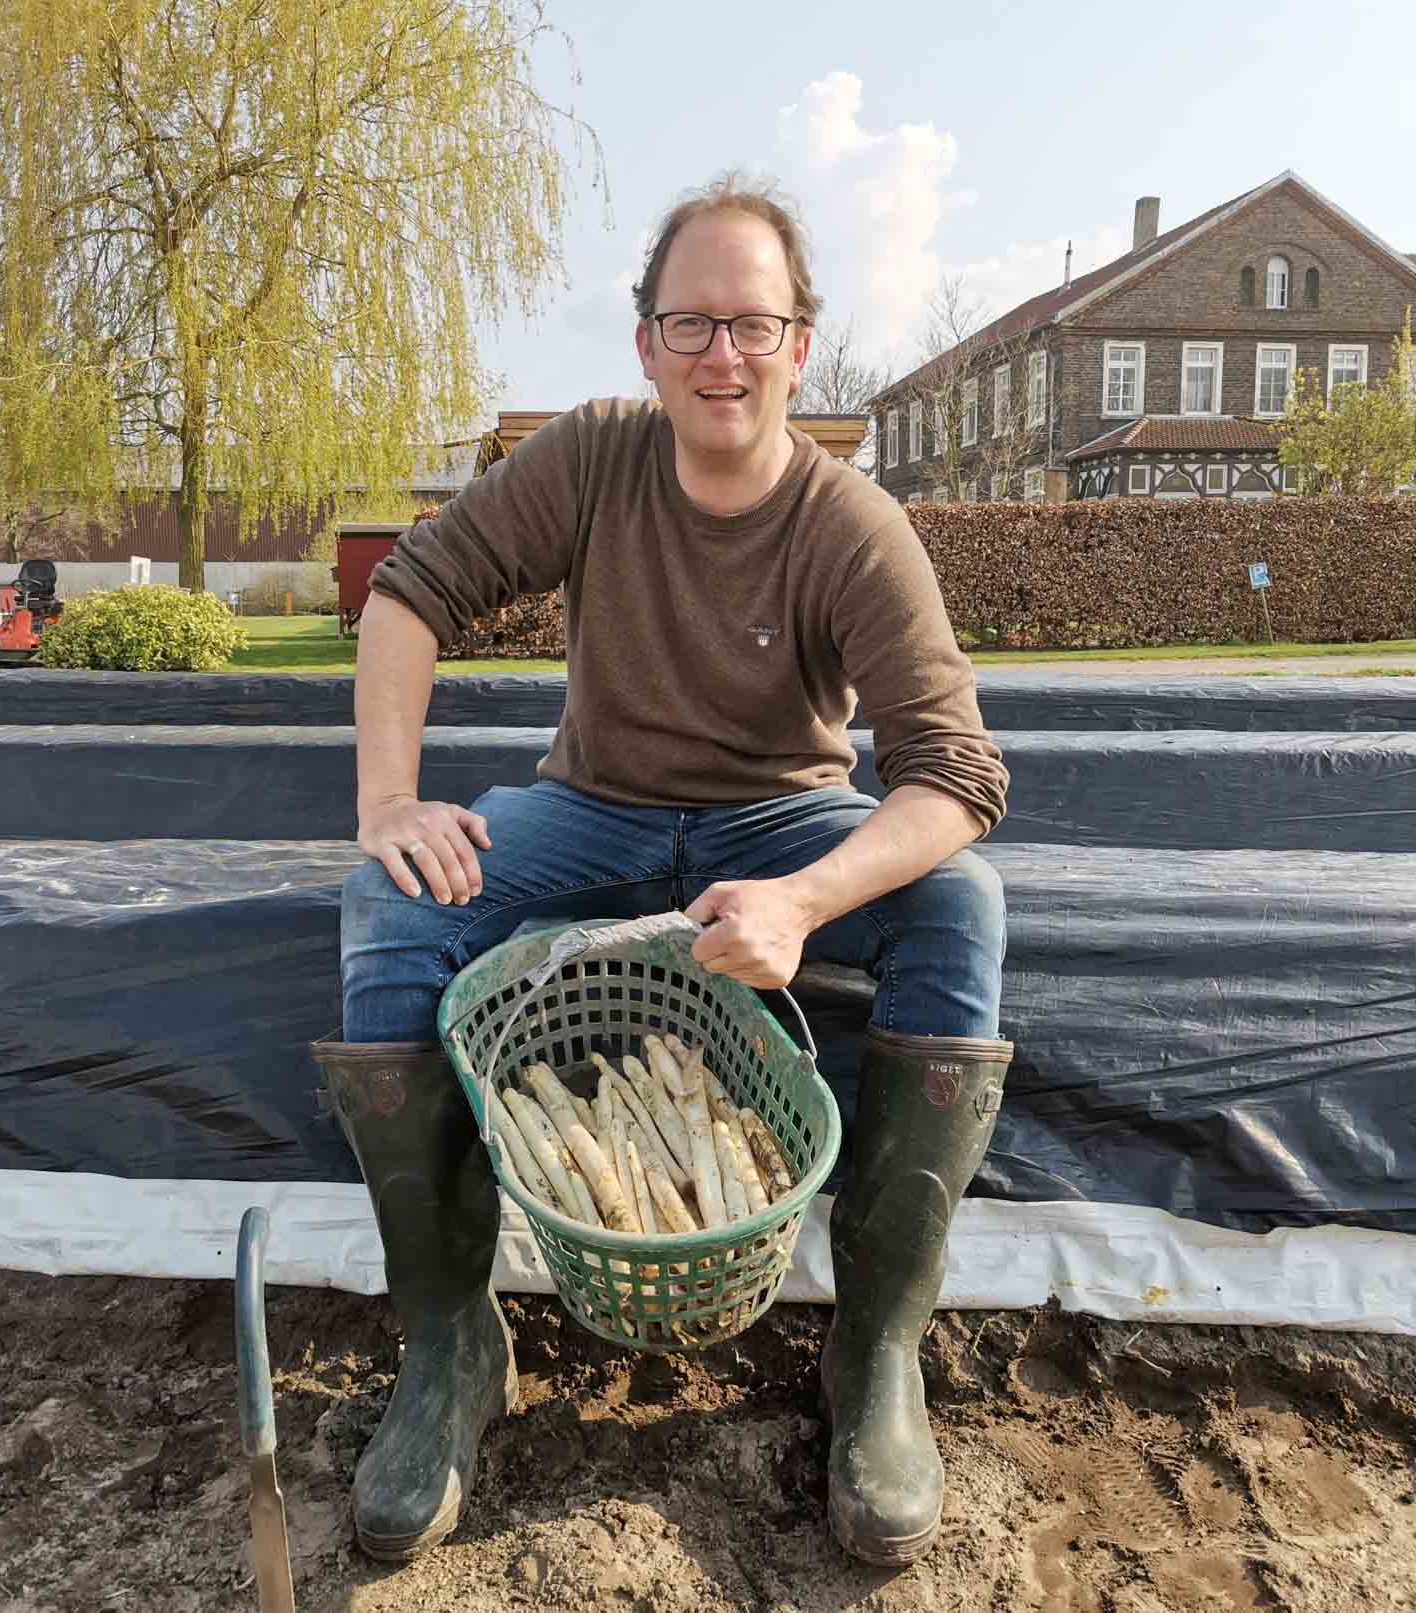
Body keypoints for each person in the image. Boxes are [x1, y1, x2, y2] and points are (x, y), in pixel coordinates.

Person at [310, 173, 1013, 1568]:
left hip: (777, 822)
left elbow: (959, 775)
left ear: (800, 346)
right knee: (389, 901)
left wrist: (809, 902)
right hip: (596, 809)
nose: (722, 357)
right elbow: (408, 594)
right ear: (645, 343)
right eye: (690, 325)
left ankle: (873, 1353)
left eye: (752, 325)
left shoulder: (851, 524)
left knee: (958, 906)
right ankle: (452, 1345)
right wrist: (388, 800)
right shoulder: (593, 458)